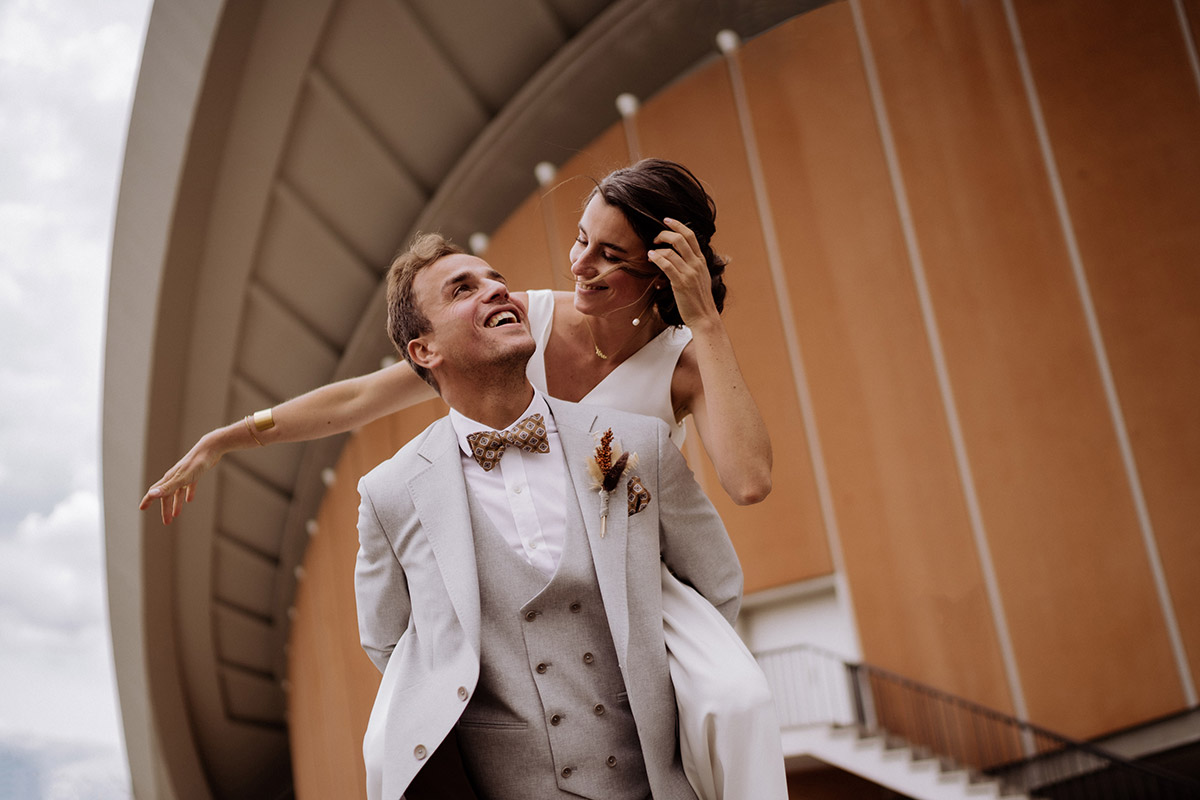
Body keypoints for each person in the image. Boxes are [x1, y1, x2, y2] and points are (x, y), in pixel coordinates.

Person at [142, 159, 786, 799]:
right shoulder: (523, 319)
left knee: (738, 704)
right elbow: (363, 396)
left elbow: (749, 480)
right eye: (581, 238)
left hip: (633, 576)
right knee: (384, 744)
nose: (580, 263)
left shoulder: (686, 363)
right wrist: (228, 437)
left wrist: (706, 324)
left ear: (662, 271)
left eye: (610, 255)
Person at [358, 235, 747, 799]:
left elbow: (713, 589)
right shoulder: (390, 494)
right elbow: (392, 648)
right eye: (463, 289)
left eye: (496, 279)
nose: (496, 290)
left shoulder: (637, 446)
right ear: (424, 351)